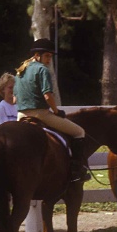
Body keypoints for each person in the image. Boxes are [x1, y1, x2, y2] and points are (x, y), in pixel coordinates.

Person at [13, 38, 90, 182]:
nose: (49, 60)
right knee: (79, 132)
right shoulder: (42, 70)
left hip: (21, 116)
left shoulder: (20, 71)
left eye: (50, 57)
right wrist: (56, 111)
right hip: (40, 114)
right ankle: (76, 172)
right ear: (37, 55)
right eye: (47, 56)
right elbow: (47, 96)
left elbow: (14, 99)